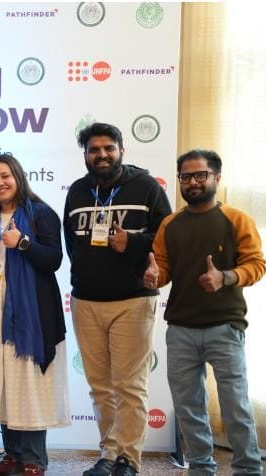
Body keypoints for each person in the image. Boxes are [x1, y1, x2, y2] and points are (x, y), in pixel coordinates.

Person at [143, 149, 264, 476]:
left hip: (225, 327)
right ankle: (200, 468)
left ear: (216, 178)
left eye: (200, 175)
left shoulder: (236, 219)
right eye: (186, 176)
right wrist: (154, 276)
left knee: (236, 407)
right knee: (188, 408)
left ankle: (248, 469)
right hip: (180, 329)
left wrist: (225, 277)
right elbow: (163, 269)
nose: (193, 182)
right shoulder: (170, 224)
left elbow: (257, 264)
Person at [63, 122, 172, 476]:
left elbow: (169, 236)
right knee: (100, 387)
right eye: (94, 150)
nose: (102, 155)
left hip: (133, 300)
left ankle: (128, 458)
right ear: (85, 155)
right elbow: (72, 244)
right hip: (86, 302)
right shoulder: (78, 191)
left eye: (108, 148)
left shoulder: (146, 187)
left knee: (129, 386)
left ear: (122, 150)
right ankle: (108, 454)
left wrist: (135, 243)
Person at [0, 154, 69, 476]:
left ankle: (34, 458)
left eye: (5, 176)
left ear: (18, 177)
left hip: (31, 313)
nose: (0, 183)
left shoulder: (41, 213)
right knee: (3, 381)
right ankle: (12, 454)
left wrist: (22, 242)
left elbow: (53, 260)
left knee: (27, 380)